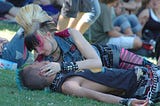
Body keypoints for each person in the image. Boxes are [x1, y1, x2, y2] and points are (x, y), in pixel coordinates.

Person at [15, 4, 156, 74]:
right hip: (109, 76)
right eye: (34, 48)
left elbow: (96, 62)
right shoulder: (41, 57)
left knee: (154, 71)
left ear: (48, 35)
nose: (39, 51)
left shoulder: (71, 34)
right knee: (146, 78)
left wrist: (62, 67)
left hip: (114, 56)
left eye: (39, 44)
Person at [17, 60, 160, 105]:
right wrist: (127, 102)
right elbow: (97, 96)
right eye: (38, 63)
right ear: (42, 72)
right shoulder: (67, 85)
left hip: (145, 74)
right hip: (145, 84)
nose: (42, 61)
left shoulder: (62, 72)